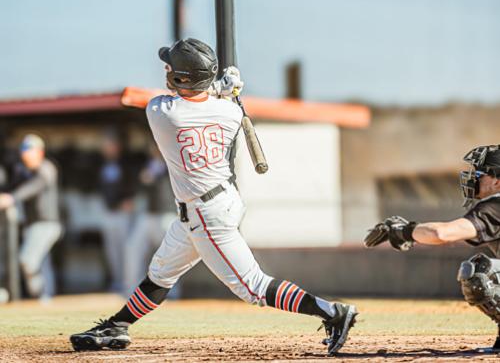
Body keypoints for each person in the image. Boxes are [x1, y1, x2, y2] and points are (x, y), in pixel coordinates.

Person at [70, 38, 357, 355]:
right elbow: (209, 100)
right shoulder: (231, 114)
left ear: (182, 78)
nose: (166, 69)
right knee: (161, 273)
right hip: (220, 202)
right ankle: (117, 325)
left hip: (206, 214)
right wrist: (227, 88)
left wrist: (221, 86)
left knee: (253, 287)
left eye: (171, 67)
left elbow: (180, 100)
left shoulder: (162, 113)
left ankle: (332, 312)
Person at [364, 144, 500, 352]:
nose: (473, 177)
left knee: (478, 271)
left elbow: (442, 234)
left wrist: (404, 231)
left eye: (480, 173)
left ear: (497, 181)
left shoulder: (496, 205)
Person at [0, 134, 61, 299]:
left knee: (27, 260)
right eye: (24, 150)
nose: (25, 154)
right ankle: (45, 298)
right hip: (31, 225)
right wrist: (5, 194)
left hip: (47, 225)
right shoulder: (23, 170)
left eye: (29, 150)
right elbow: (11, 186)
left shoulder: (47, 169)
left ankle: (42, 294)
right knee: (41, 264)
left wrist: (11, 198)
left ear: (39, 152)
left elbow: (32, 187)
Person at [123, 145, 178, 297]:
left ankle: (172, 293)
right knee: (132, 248)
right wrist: (144, 178)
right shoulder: (149, 164)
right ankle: (131, 289)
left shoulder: (173, 161)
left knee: (172, 256)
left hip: (167, 214)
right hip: (148, 215)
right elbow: (140, 184)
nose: (157, 149)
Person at [98, 132, 135, 294]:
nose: (108, 148)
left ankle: (129, 282)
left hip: (123, 212)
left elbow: (134, 184)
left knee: (127, 249)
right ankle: (117, 281)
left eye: (110, 145)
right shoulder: (103, 165)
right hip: (109, 211)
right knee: (112, 250)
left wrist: (129, 199)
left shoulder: (126, 164)